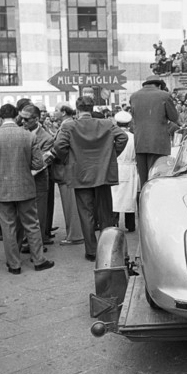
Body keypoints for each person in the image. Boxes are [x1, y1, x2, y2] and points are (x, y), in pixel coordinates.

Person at [50, 96, 128, 262]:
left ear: (77, 109)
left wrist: (68, 160)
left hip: (80, 174)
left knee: (85, 213)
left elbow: (59, 146)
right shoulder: (106, 123)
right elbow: (123, 137)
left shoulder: (70, 126)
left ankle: (91, 251)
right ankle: (107, 249)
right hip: (103, 173)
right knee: (105, 212)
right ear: (92, 108)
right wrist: (110, 156)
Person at [0, 104, 54, 274]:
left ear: (0, 116)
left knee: (8, 227)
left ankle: (14, 264)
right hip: (26, 187)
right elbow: (38, 163)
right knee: (31, 224)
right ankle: (38, 260)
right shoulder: (28, 136)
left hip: (2, 189)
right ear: (16, 116)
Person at [129, 75, 178, 188]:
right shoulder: (164, 95)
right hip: (158, 143)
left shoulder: (134, 96)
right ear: (159, 85)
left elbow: (134, 117)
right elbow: (174, 117)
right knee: (156, 179)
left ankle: (142, 203)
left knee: (143, 179)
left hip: (139, 142)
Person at [19, 104, 54, 247]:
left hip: (38, 181)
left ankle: (36, 245)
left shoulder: (46, 138)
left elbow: (42, 163)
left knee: (39, 214)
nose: (23, 122)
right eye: (21, 118)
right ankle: (24, 240)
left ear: (36, 119)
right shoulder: (19, 132)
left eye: (26, 119)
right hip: (21, 181)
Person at [51, 104, 84, 246]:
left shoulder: (66, 125)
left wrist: (62, 157)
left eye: (56, 110)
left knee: (70, 204)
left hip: (66, 170)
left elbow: (59, 146)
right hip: (73, 168)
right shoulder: (73, 123)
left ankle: (75, 235)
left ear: (64, 112)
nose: (54, 112)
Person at [112, 111, 138, 232]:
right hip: (131, 167)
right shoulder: (135, 137)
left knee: (115, 197)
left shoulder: (113, 136)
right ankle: (130, 224)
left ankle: (114, 222)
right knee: (129, 198)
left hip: (116, 166)